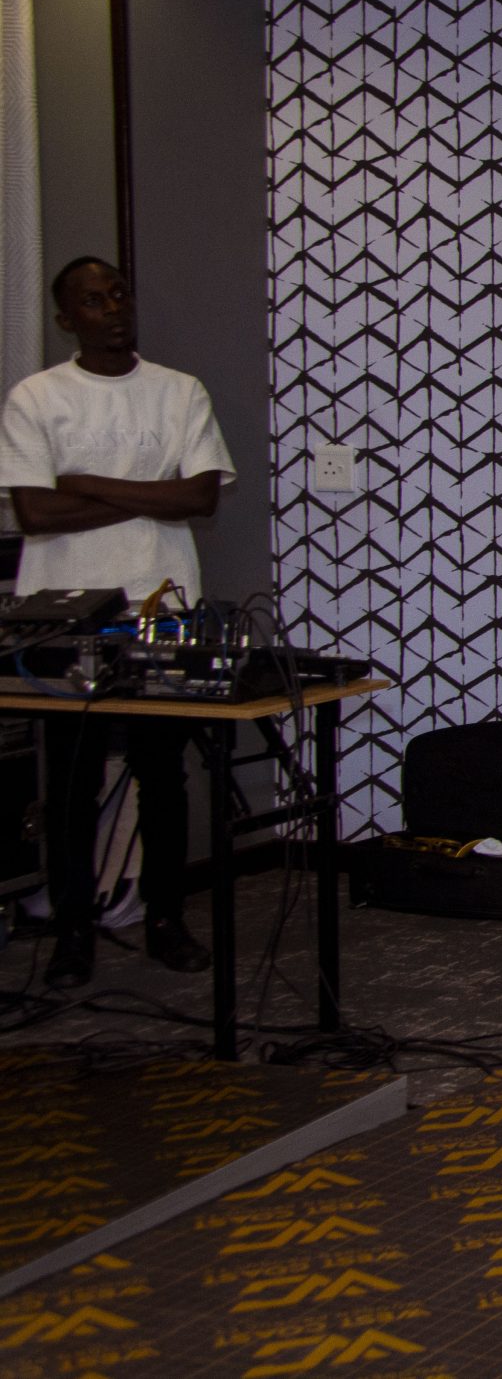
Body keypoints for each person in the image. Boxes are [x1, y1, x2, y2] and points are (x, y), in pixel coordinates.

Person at [0, 257, 233, 989]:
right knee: (71, 782)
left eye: (119, 294)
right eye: (93, 300)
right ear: (66, 319)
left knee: (163, 775)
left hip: (160, 609)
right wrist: (149, 493)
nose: (112, 308)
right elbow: (36, 513)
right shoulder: (37, 397)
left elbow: (199, 497)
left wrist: (86, 484)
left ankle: (166, 918)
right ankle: (73, 929)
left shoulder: (178, 391)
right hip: (64, 617)